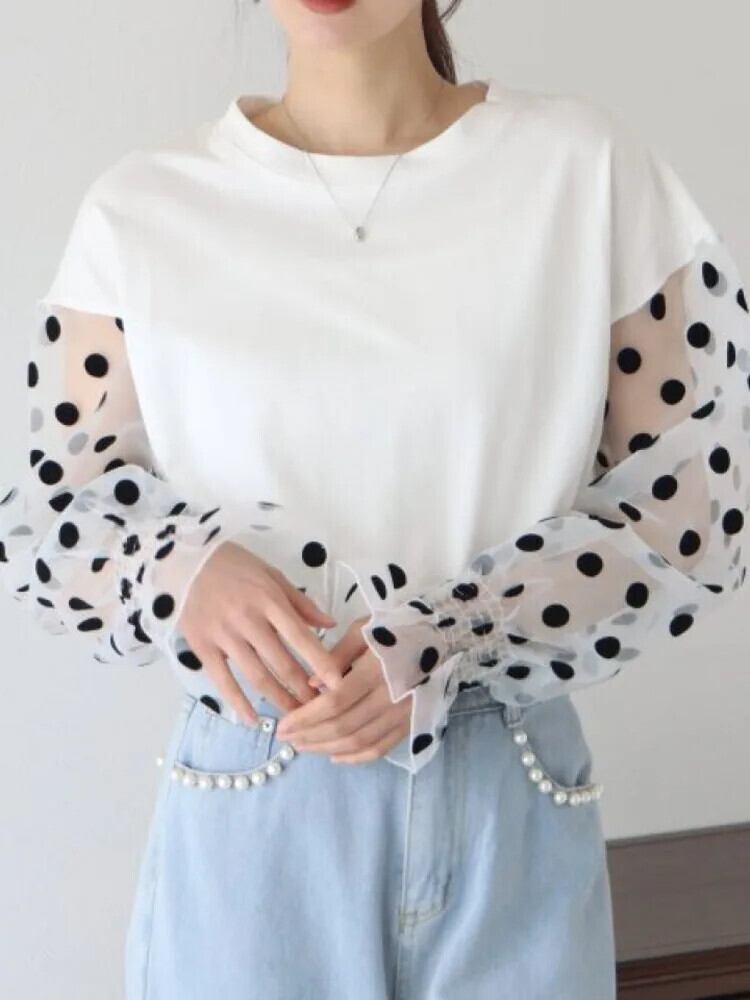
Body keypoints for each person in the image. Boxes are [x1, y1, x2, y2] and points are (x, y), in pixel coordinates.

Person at [2, 1, 748, 997]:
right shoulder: (142, 210)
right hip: (254, 791)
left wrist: (459, 631)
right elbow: (52, 515)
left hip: (504, 779)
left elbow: (696, 510)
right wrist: (181, 568)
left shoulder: (588, 173)